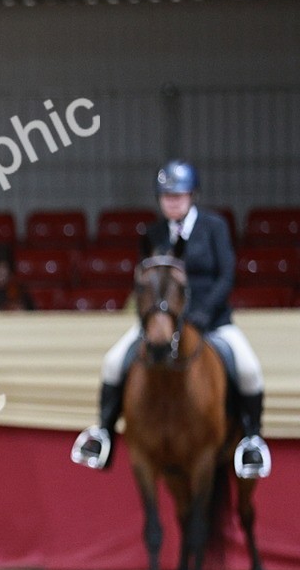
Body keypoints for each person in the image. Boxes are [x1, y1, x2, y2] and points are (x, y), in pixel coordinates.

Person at [71, 160, 271, 478]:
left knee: (249, 369)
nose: (172, 202)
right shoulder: (153, 233)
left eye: (178, 196)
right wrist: (149, 317)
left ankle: (251, 440)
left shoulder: (214, 227)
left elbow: (225, 275)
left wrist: (203, 314)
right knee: (112, 362)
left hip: (213, 321)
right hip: (161, 324)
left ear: (192, 196)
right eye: (166, 196)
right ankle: (103, 435)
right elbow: (144, 282)